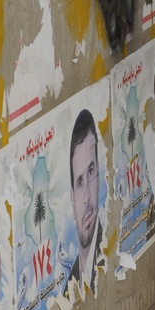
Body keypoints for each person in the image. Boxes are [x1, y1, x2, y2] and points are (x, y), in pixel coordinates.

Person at [67, 108, 101, 291]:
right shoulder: (67, 293)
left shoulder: (113, 254)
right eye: (80, 182)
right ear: (72, 198)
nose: (87, 197)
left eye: (91, 171)